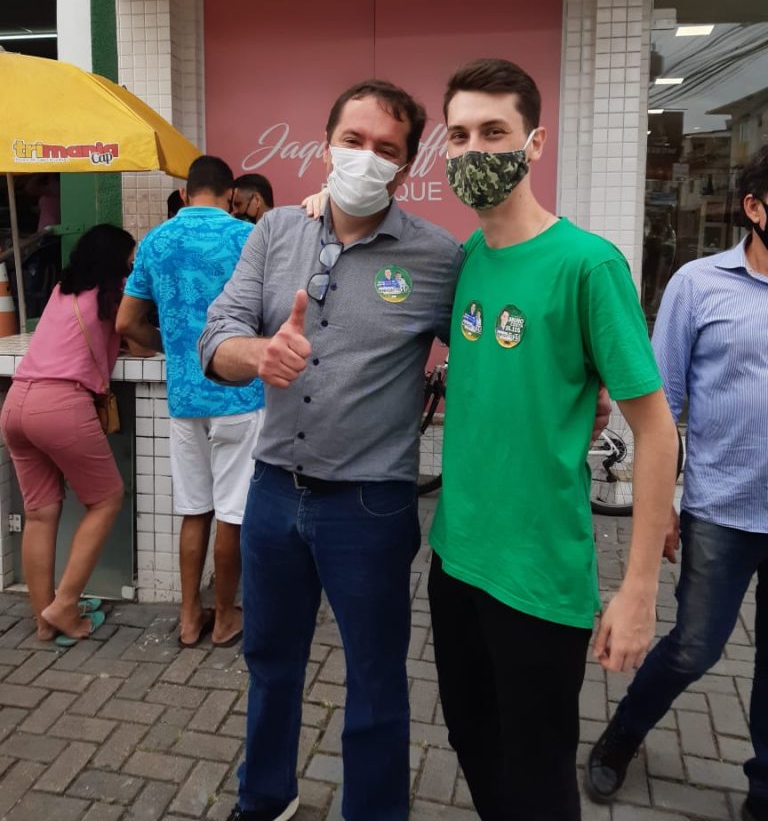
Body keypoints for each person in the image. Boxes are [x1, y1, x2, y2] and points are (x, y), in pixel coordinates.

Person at [199, 80, 463, 821]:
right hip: (274, 492)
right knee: (269, 662)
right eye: (353, 141)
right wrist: (257, 354)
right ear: (326, 146)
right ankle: (265, 798)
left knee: (375, 681)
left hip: (370, 506)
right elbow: (215, 338)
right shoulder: (277, 231)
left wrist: (580, 384)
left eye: (386, 149)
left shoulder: (437, 258)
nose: (366, 158)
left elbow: (491, 349)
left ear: (405, 168)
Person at [427, 58, 679, 821]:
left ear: (534, 144)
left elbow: (655, 430)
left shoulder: (587, 265)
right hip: (455, 560)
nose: (475, 151)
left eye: (493, 132)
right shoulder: (468, 260)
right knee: (473, 744)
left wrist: (638, 590)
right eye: (460, 135)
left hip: (538, 578)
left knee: (537, 781)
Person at [586, 146, 768, 821]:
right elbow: (660, 408)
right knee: (694, 647)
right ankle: (622, 734)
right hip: (723, 510)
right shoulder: (698, 284)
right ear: (754, 208)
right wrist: (658, 504)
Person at [117, 156, 265, 648]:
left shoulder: (156, 241)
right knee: (232, 513)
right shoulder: (248, 238)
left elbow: (126, 322)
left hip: (184, 397)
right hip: (240, 395)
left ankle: (187, 619)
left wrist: (175, 346)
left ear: (184, 194)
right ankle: (223, 619)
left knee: (194, 510)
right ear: (232, 195)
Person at [0, 224, 136, 644]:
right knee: (106, 499)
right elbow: (141, 344)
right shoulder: (114, 297)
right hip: (60, 405)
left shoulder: (63, 290)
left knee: (40, 514)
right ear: (117, 263)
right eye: (130, 261)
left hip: (16, 403)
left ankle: (44, 620)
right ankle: (65, 604)